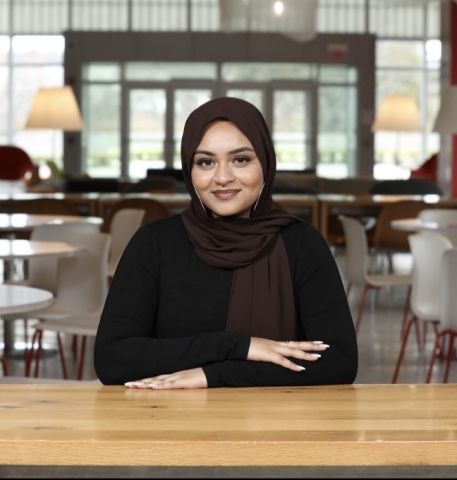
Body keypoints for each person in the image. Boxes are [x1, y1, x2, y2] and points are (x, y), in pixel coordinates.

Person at [94, 97, 358, 389]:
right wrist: (238, 346)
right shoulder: (153, 244)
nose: (222, 177)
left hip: (271, 428)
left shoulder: (302, 243)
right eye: (206, 162)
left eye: (241, 159)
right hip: (169, 424)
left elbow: (340, 361)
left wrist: (211, 375)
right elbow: (112, 359)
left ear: (266, 164)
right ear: (189, 171)